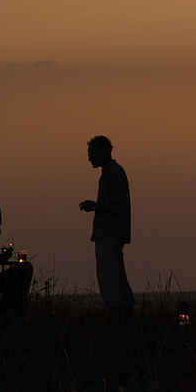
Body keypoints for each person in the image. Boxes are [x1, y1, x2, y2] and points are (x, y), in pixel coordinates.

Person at [79, 135, 134, 318]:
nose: (89, 158)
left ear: (103, 152)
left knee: (111, 279)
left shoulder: (113, 173)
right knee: (112, 278)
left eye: (92, 153)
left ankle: (121, 316)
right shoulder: (110, 173)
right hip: (109, 235)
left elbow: (118, 206)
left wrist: (95, 206)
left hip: (110, 235)